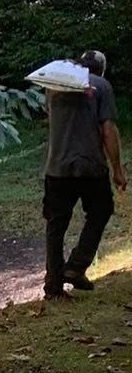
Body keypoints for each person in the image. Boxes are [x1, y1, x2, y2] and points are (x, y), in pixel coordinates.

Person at [43, 49, 125, 297]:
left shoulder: (52, 86)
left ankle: (54, 286)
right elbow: (108, 130)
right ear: (101, 68)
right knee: (101, 210)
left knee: (56, 225)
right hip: (90, 166)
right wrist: (117, 170)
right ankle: (77, 266)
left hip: (56, 167)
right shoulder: (101, 85)